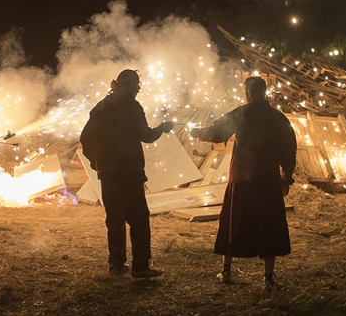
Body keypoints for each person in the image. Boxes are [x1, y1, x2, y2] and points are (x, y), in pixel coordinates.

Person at [191, 76, 296, 289]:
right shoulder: (278, 118)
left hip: (242, 178)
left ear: (247, 92)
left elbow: (217, 132)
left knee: (233, 221)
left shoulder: (240, 114)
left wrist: (197, 133)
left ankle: (226, 271)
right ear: (263, 92)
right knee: (268, 225)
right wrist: (287, 176)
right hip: (267, 178)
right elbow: (289, 150)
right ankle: (268, 278)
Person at [80, 69, 173, 278]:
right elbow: (146, 135)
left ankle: (116, 265)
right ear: (132, 86)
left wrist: (97, 163)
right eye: (136, 85)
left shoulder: (100, 107)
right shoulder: (132, 107)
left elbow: (85, 137)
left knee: (114, 218)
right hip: (129, 171)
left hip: (108, 173)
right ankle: (140, 266)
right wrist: (162, 128)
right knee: (139, 218)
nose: (137, 90)